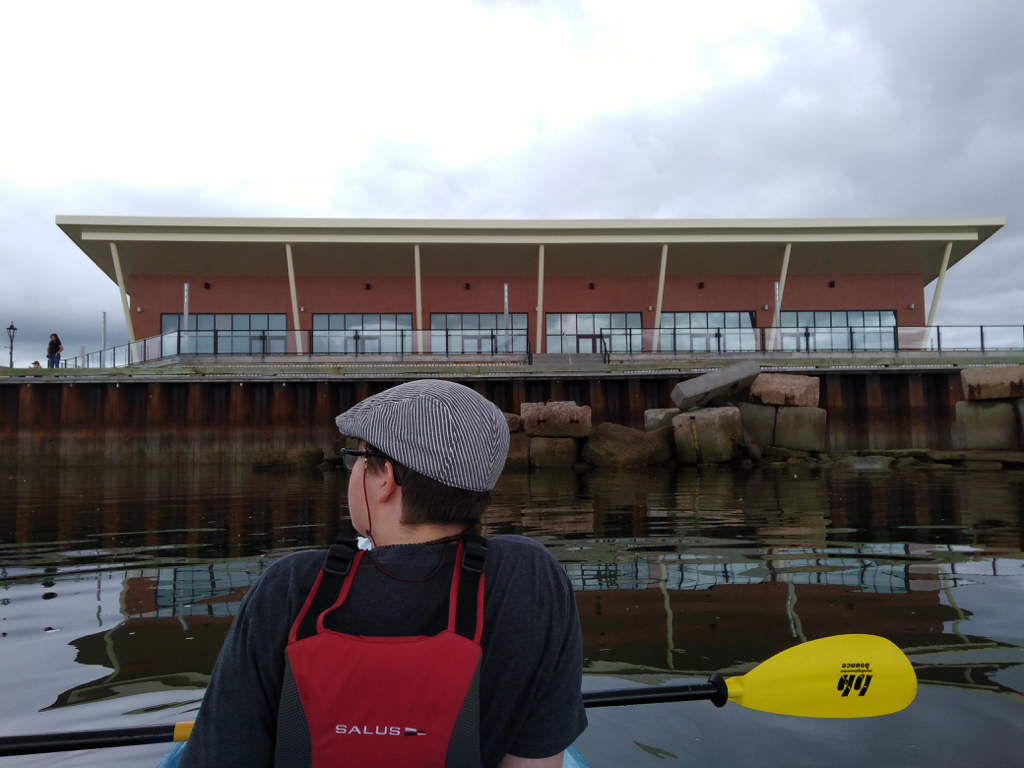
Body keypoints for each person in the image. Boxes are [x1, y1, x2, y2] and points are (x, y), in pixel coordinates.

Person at [177, 380, 587, 768]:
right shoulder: (530, 577)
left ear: (386, 480)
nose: (350, 472)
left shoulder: (291, 585)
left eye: (355, 457)